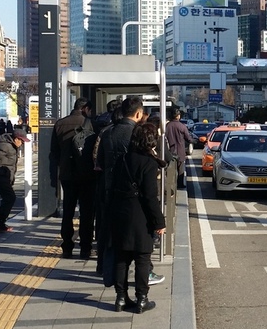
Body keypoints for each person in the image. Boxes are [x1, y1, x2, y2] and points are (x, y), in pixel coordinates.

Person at [107, 122, 166, 313]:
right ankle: (142, 299)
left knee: (121, 258)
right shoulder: (148, 163)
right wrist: (159, 222)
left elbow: (112, 187)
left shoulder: (122, 159)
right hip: (141, 216)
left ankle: (121, 298)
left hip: (119, 213)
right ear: (150, 141)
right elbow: (150, 197)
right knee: (142, 258)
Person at [50, 98, 94, 258]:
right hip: (87, 175)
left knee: (68, 211)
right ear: (86, 108)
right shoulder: (90, 123)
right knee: (86, 213)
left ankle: (67, 247)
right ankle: (85, 248)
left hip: (67, 174)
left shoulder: (60, 124)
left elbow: (53, 152)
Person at [0, 128, 29, 232]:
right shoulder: (5, 145)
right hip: (0, 176)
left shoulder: (12, 146)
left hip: (5, 176)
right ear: (15, 139)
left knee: (8, 198)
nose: (23, 143)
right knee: (10, 198)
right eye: (22, 141)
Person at [165, 108, 192, 190]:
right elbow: (188, 139)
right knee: (180, 169)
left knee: (170, 170)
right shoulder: (182, 126)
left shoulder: (167, 126)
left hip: (170, 151)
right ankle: (180, 184)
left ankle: (170, 186)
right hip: (180, 151)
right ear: (178, 116)